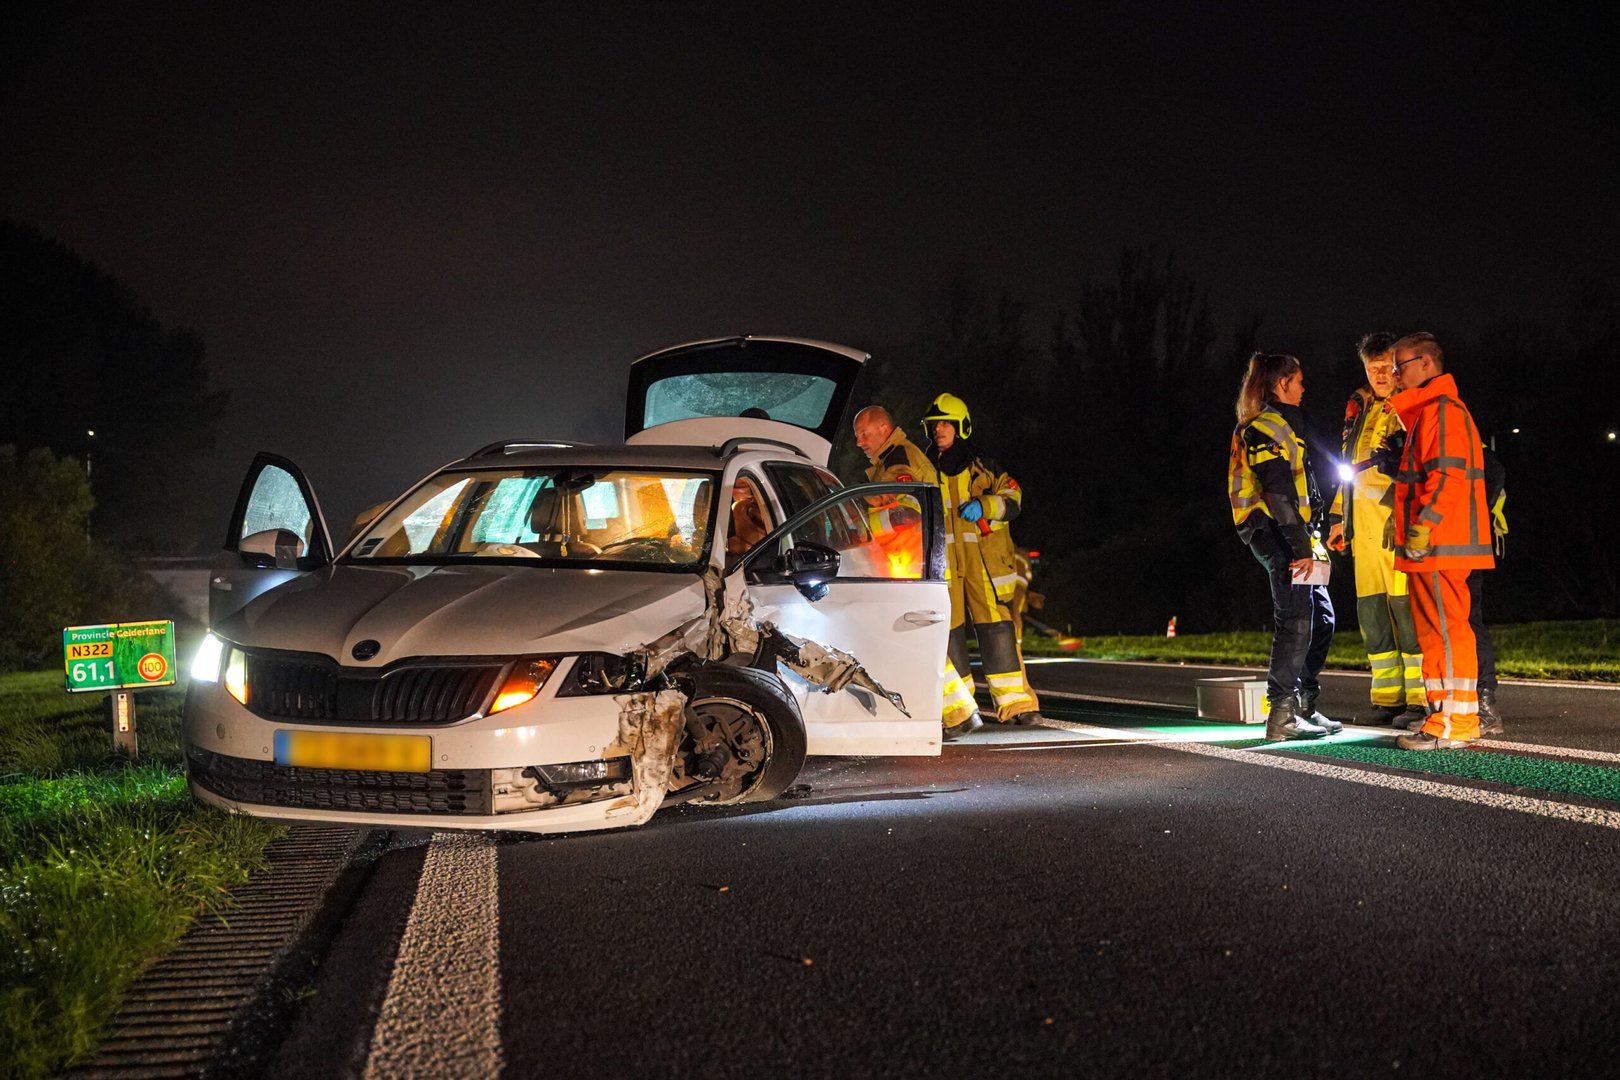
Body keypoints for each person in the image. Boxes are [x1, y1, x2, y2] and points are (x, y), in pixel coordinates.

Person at [1385, 332, 1495, 750]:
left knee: (1445, 631)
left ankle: (1453, 722)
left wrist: (1423, 526)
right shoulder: (1431, 411)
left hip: (1440, 544)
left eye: (1401, 365)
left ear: (1427, 364)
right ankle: (1446, 716)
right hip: (1436, 544)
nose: (1395, 374)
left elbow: (1447, 475)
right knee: (1436, 632)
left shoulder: (1442, 411)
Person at [1228, 352, 1339, 740]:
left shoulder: (1283, 426)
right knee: (1295, 619)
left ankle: (1304, 703)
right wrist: (1300, 546)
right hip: (1273, 529)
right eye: (1299, 380)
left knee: (1322, 619)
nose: (1304, 388)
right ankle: (1282, 715)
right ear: (1282, 384)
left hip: (1294, 531)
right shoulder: (1265, 427)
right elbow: (1276, 493)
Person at [852, 405, 981, 738]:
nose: (859, 442)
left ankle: (959, 714)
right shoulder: (893, 459)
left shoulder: (898, 461)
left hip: (909, 564)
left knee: (915, 642)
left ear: (884, 428)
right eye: (856, 436)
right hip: (913, 563)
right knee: (917, 641)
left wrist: (862, 525)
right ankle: (957, 713)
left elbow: (906, 514)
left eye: (864, 434)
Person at [922, 392, 1043, 731]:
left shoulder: (985, 465)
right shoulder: (924, 466)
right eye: (934, 425)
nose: (939, 430)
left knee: (997, 631)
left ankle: (1017, 704)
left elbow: (1014, 498)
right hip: (944, 565)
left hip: (984, 564)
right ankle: (963, 709)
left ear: (961, 426)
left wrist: (986, 506)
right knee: (950, 634)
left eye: (945, 423)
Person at [1325, 333, 1429, 727]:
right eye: (1373, 369)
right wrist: (1339, 518)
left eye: (1387, 367)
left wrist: (1405, 514)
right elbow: (1347, 464)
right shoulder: (1360, 406)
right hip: (1363, 528)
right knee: (1372, 614)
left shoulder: (1411, 403)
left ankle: (1420, 699)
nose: (1381, 375)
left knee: (1407, 613)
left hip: (1396, 520)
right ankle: (1388, 698)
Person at [1472, 444, 1508, 736]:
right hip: (1453, 544)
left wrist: (1474, 515)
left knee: (1469, 622)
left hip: (1465, 544)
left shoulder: (1454, 424)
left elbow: (1495, 471)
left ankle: (1485, 703)